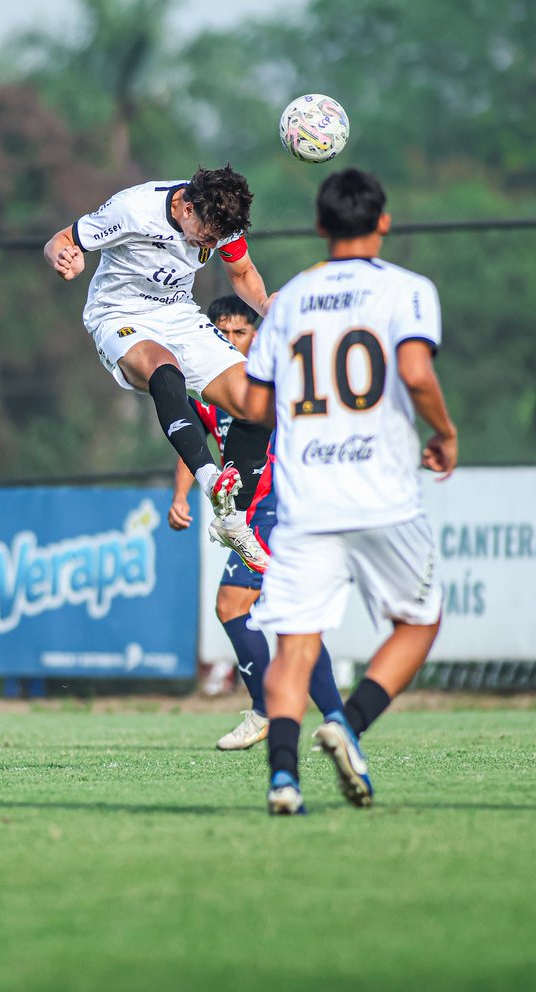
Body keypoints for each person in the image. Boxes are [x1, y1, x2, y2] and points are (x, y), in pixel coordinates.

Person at [242, 167, 458, 815]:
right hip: (383, 493)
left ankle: (283, 780)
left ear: (319, 226)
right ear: (383, 222)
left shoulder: (292, 299)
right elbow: (416, 372)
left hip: (307, 497)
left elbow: (256, 403)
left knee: (296, 643)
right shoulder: (409, 290)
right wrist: (443, 430)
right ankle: (349, 724)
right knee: (419, 620)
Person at [44, 167, 272, 573]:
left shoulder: (223, 220)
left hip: (179, 316)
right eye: (205, 236)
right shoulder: (134, 209)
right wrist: (64, 257)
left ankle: (232, 519)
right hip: (119, 315)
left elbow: (242, 273)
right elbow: (60, 240)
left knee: (259, 404)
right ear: (186, 206)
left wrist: (266, 306)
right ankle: (208, 478)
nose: (210, 244)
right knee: (165, 369)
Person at [169, 294, 345, 751]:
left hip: (277, 507)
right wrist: (180, 496)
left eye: (239, 332)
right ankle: (336, 717)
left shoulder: (268, 382)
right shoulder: (207, 392)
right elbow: (195, 446)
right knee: (291, 614)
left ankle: (268, 710)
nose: (229, 340)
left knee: (233, 606)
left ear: (257, 335)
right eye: (220, 333)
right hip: (251, 513)